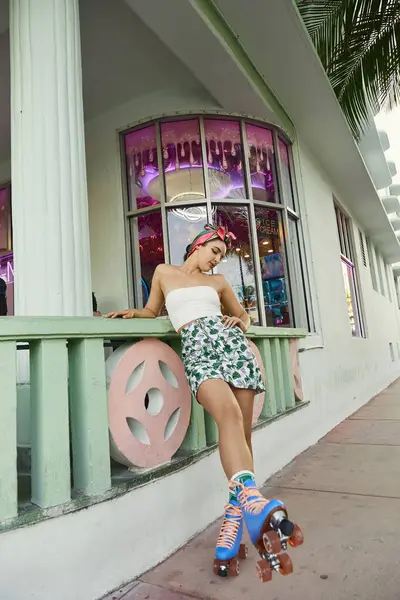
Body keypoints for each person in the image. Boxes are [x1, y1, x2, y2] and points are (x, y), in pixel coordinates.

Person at [106, 223, 302, 578]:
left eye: (222, 256)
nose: (217, 260)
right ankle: (253, 505)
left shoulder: (220, 283)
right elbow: (152, 312)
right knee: (226, 416)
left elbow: (243, 315)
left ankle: (236, 519)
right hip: (199, 351)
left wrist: (240, 321)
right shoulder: (164, 273)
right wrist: (132, 314)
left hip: (232, 348)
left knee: (243, 435)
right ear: (198, 245)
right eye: (215, 251)